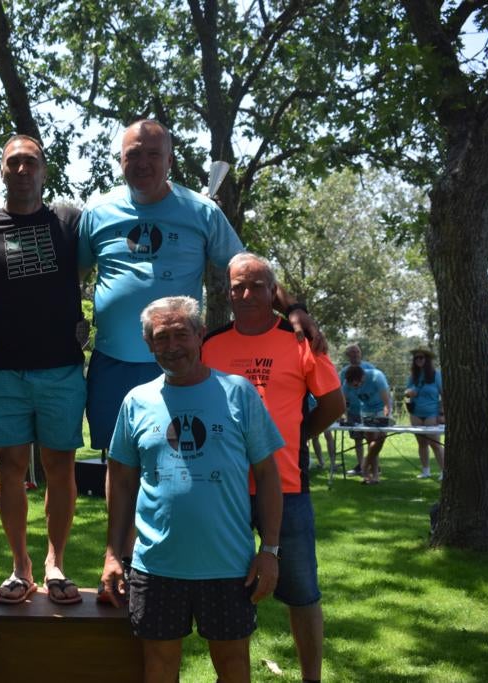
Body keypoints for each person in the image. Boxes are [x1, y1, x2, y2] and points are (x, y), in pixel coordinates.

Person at [77, 119, 324, 456]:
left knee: (182, 458)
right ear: (120, 160)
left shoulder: (201, 211)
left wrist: (294, 308)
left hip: (179, 359)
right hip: (112, 362)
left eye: (153, 154)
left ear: (170, 160)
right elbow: (72, 277)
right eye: (133, 154)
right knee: (118, 465)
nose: (143, 163)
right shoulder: (96, 212)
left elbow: (247, 271)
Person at [100, 295, 284, 683]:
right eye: (161, 338)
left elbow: (268, 475)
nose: (172, 347)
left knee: (233, 668)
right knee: (160, 668)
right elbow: (120, 480)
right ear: (148, 344)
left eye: (181, 334)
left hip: (229, 565)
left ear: (200, 335)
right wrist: (113, 553)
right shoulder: (137, 401)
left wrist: (269, 550)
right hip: (156, 565)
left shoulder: (239, 393)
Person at [0, 134, 86, 605]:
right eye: (14, 163)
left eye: (31, 161)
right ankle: (20, 566)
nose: (22, 170)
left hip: (62, 370)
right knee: (8, 469)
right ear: (2, 171)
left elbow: (110, 263)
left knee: (59, 467)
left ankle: (55, 563)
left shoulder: (70, 221)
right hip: (6, 371)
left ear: (45, 170)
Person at [201, 253, 344, 683]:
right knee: (229, 597)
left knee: (302, 594)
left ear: (273, 291)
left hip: (286, 487)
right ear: (227, 292)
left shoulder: (301, 341)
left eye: (257, 285)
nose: (247, 295)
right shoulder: (211, 344)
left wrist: (294, 437)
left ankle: (311, 678)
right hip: (225, 490)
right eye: (238, 286)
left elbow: (334, 404)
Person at [342, 365, 392, 485]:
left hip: (381, 407)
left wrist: (385, 417)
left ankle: (364, 464)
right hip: (366, 410)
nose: (356, 386)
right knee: (370, 441)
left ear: (363, 377)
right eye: (353, 385)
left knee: (380, 437)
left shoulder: (376, 377)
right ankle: (373, 475)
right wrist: (343, 416)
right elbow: (343, 402)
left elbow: (387, 403)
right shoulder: (346, 384)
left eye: (358, 383)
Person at [405, 348, 445, 480]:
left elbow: (443, 394)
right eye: (416, 358)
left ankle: (444, 471)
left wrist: (442, 413)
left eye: (421, 357)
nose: (418, 360)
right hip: (415, 413)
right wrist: (409, 396)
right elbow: (406, 395)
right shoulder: (412, 376)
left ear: (427, 360)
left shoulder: (436, 375)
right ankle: (425, 471)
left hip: (431, 413)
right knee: (421, 443)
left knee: (434, 443)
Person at [338, 344, 377, 475]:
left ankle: (372, 465)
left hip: (368, 410)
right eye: (352, 353)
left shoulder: (369, 368)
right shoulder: (344, 372)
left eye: (357, 352)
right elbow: (341, 392)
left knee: (371, 439)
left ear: (360, 353)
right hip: (352, 411)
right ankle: (361, 466)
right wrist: (342, 411)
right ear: (348, 356)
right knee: (357, 439)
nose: (355, 354)